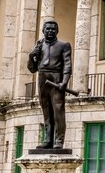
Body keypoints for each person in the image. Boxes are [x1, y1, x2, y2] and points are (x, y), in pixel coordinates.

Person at [27, 20, 72, 149]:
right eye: (48, 29)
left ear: (57, 31)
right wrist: (31, 56)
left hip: (56, 78)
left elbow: (68, 65)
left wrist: (65, 81)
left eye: (53, 29)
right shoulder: (39, 46)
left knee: (58, 110)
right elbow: (32, 69)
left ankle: (59, 140)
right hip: (42, 78)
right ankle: (47, 140)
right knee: (46, 111)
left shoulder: (64, 45)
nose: (51, 31)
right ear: (43, 30)